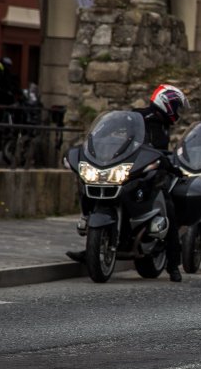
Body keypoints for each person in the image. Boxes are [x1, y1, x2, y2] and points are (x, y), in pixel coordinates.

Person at [67, 84, 189, 282]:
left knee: (168, 207)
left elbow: (162, 153)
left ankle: (173, 264)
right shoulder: (138, 117)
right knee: (90, 191)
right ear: (167, 104)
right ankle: (92, 247)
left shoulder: (163, 126)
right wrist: (95, 143)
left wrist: (172, 164)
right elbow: (107, 131)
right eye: (176, 106)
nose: (178, 112)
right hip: (129, 168)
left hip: (151, 174)